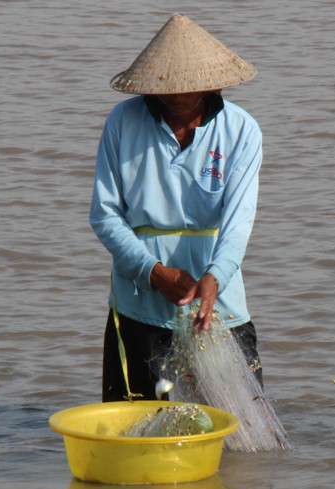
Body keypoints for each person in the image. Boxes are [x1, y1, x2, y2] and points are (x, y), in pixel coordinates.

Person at [90, 14, 264, 402]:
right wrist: (153, 272)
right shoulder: (123, 122)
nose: (177, 96)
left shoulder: (241, 131)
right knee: (137, 421)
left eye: (189, 87)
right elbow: (104, 214)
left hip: (217, 305)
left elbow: (238, 222)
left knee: (234, 423)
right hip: (138, 306)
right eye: (168, 85)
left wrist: (215, 276)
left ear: (212, 84)